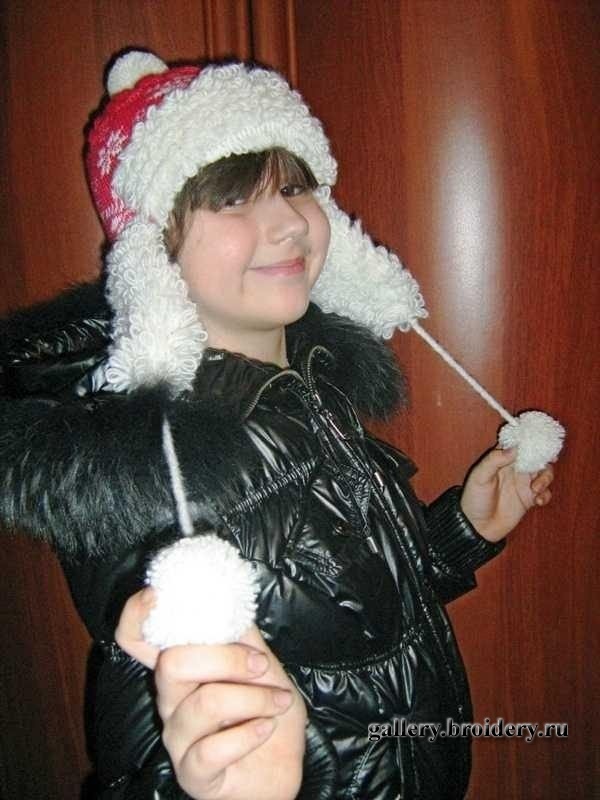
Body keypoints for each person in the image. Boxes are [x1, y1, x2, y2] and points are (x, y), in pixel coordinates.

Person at [0, 51, 554, 800]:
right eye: (233, 200)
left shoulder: (308, 387)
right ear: (151, 254)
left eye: (294, 187)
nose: (289, 222)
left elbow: (348, 613)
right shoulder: (163, 473)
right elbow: (152, 761)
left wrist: (465, 529)